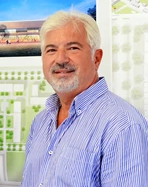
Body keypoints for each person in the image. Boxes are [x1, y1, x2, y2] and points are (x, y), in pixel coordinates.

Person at [21, 10, 148, 187]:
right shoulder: (41, 122)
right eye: (51, 50)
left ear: (96, 59)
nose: (60, 59)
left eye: (73, 48)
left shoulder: (122, 125)